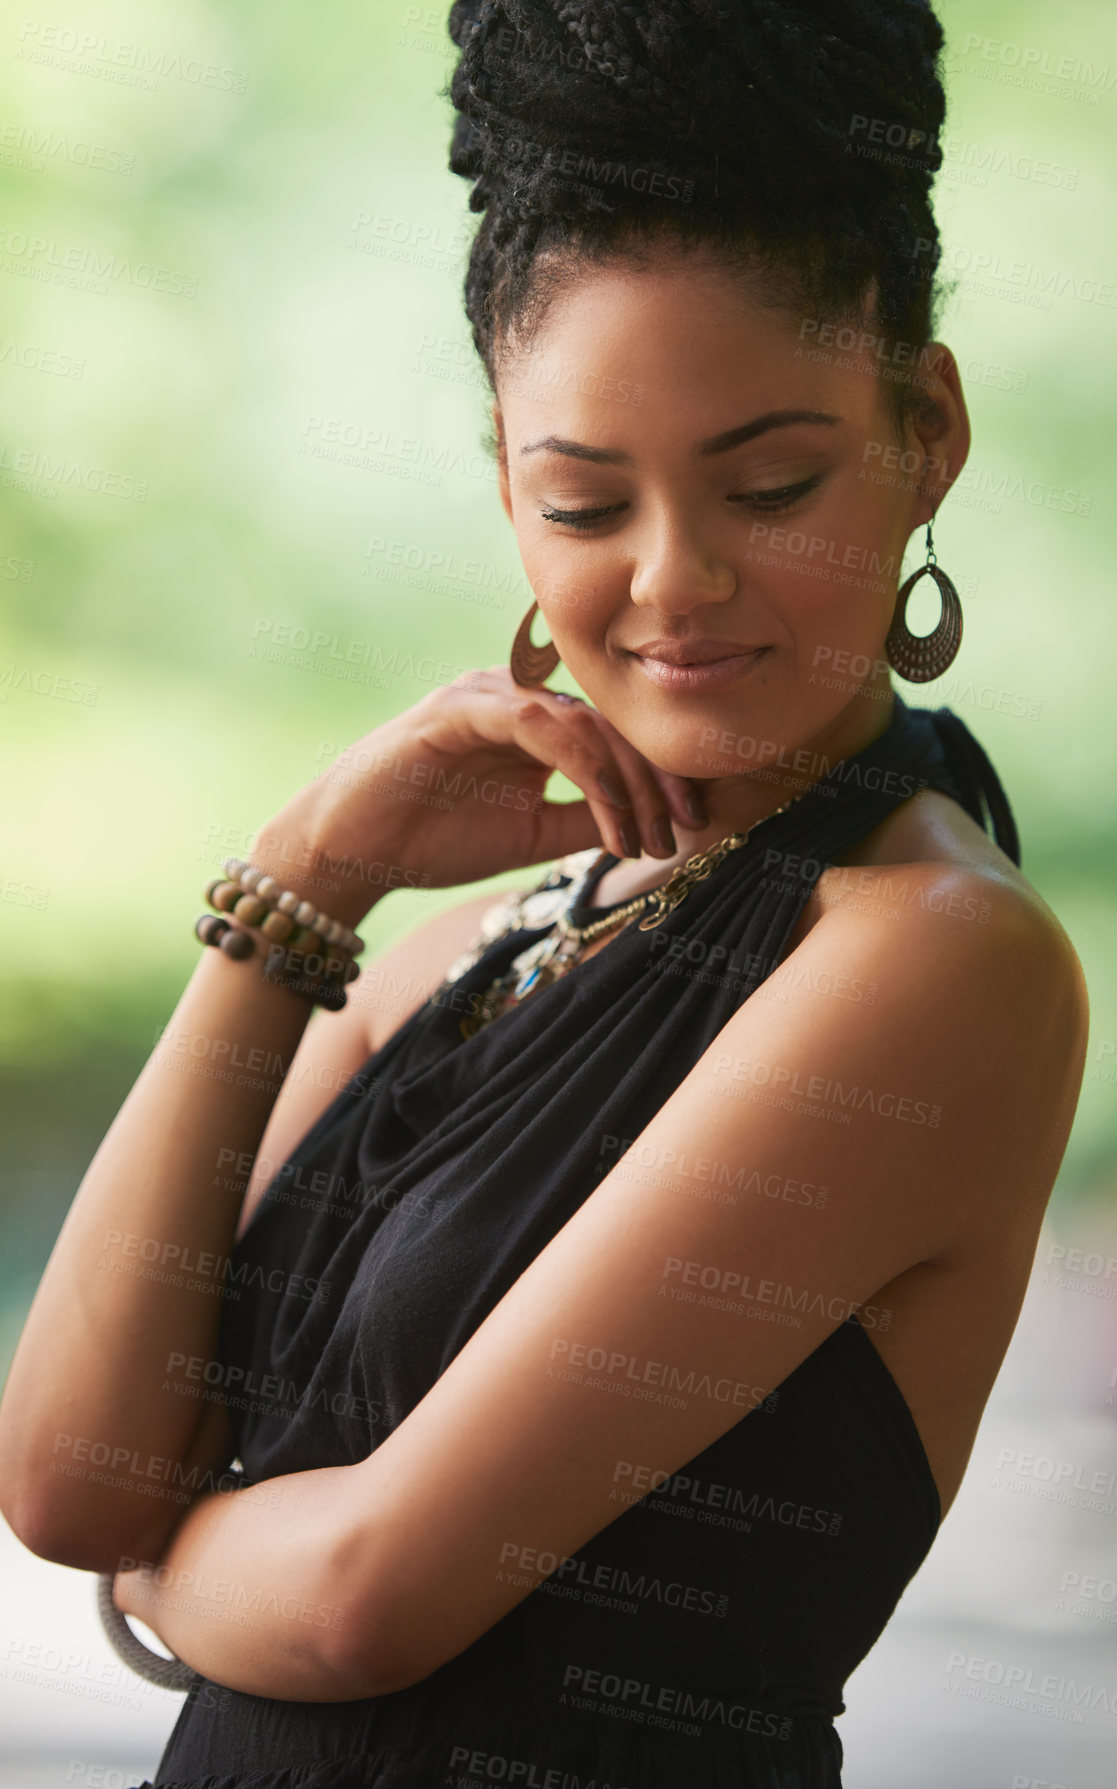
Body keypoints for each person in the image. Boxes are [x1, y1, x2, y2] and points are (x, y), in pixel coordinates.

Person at [0, 2, 1089, 1785]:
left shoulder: (932, 959)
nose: (677, 579)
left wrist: (164, 1571)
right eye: (583, 501)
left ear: (927, 433)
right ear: (504, 487)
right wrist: (303, 876)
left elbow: (367, 1596)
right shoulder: (455, 949)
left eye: (773, 482)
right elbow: (64, 1473)